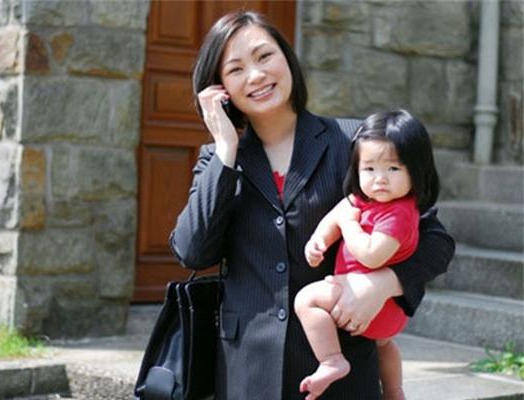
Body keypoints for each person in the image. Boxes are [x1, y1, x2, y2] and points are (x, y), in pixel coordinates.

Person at [169, 11, 455, 400]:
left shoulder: (354, 143)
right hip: (247, 372)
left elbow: (437, 241)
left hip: (343, 371)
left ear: (287, 58)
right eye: (236, 69)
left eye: (264, 56)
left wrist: (381, 284)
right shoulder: (218, 160)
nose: (256, 75)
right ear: (220, 89)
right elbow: (193, 251)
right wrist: (225, 148)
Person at [295, 109, 441, 400]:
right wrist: (318, 241)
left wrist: (349, 225)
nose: (380, 179)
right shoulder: (365, 200)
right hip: (383, 316)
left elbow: (371, 256)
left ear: (416, 170)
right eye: (370, 169)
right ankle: (394, 391)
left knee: (306, 300)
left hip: (376, 305)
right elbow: (335, 216)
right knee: (384, 345)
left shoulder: (399, 214)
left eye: (393, 169)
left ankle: (331, 360)